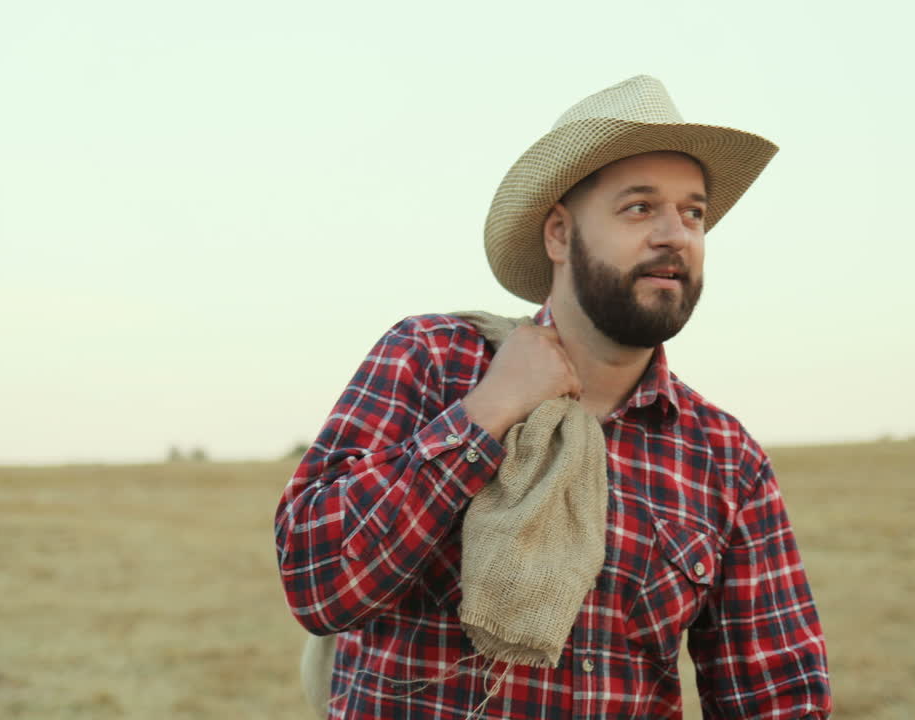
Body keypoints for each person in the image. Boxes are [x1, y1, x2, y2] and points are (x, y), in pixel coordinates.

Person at [275, 75, 832, 719]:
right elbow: (316, 583)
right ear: (560, 235)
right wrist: (488, 412)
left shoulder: (724, 456)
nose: (675, 235)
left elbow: (777, 699)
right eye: (639, 207)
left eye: (693, 213)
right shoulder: (432, 360)